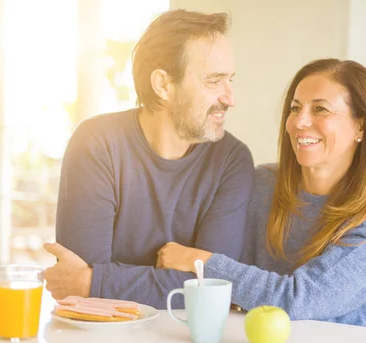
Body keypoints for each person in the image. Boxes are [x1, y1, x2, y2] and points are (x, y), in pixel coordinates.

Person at [156, 58, 366, 329]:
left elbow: (299, 300)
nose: (300, 121)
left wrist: (201, 262)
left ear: (361, 125)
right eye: (295, 108)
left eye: (320, 109)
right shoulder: (259, 183)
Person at [42, 10, 254, 309]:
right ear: (163, 85)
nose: (230, 98)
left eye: (230, 79)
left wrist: (95, 281)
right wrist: (177, 279)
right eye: (214, 80)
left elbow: (215, 288)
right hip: (97, 338)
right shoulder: (97, 143)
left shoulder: (232, 160)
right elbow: (75, 281)